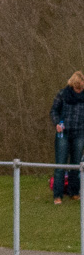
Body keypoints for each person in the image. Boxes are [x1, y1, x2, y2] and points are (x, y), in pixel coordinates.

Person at [50, 71, 84, 204]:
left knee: (76, 165)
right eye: (79, 86)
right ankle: (57, 195)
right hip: (63, 134)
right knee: (60, 165)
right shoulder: (62, 94)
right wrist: (57, 123)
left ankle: (74, 192)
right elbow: (53, 111)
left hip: (79, 134)